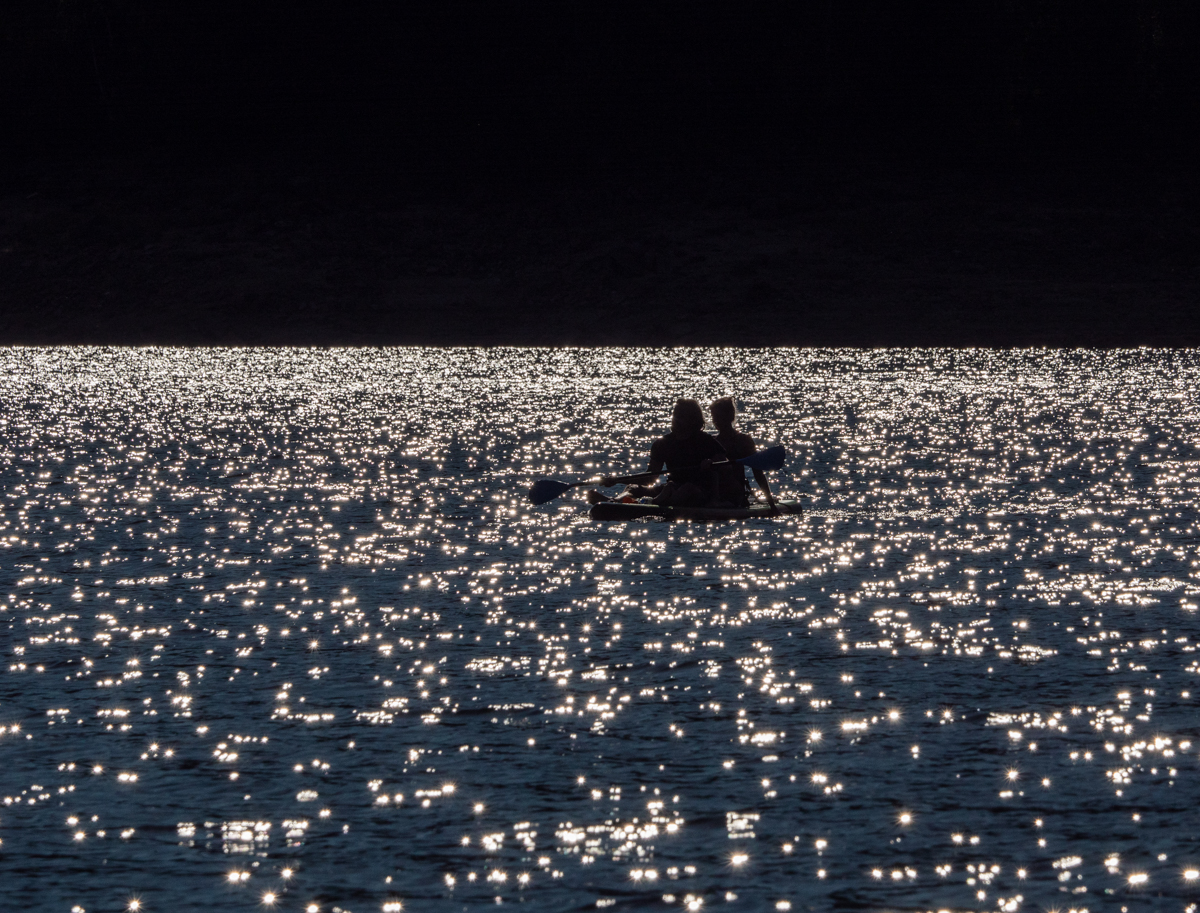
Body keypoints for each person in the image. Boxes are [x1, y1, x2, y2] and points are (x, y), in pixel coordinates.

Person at [589, 398, 725, 507]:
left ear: (693, 419)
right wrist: (617, 480)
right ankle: (615, 501)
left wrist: (712, 463)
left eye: (681, 416)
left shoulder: (705, 440)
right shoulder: (663, 444)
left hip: (699, 490)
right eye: (676, 416)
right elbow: (650, 478)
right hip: (671, 488)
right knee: (633, 488)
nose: (676, 420)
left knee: (686, 488)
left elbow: (723, 462)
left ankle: (650, 504)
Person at [710, 397, 777, 511]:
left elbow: (758, 473)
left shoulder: (743, 440)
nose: (715, 420)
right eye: (714, 417)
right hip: (713, 492)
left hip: (735, 493)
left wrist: (771, 504)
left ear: (730, 417)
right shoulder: (711, 441)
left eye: (718, 416)